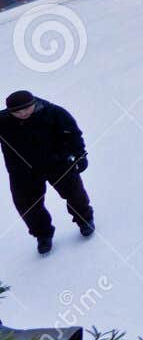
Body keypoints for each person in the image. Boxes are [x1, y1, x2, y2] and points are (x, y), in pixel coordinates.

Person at [0, 90, 93, 255]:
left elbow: (73, 134)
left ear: (33, 103)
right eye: (17, 112)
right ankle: (42, 234)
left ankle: (85, 219)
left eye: (26, 109)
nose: (22, 114)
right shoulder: (3, 121)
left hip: (58, 164)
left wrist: (80, 155)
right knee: (27, 206)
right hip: (22, 172)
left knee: (74, 193)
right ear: (9, 111)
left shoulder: (54, 113)